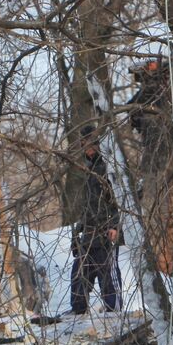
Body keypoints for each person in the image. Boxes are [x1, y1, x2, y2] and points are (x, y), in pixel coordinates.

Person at [70, 126, 123, 314]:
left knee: (108, 274)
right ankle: (78, 310)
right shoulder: (86, 168)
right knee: (80, 272)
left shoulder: (109, 168)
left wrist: (115, 226)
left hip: (107, 229)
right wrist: (77, 232)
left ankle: (113, 309)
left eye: (93, 142)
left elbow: (120, 200)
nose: (89, 147)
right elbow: (86, 206)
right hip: (88, 232)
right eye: (85, 143)